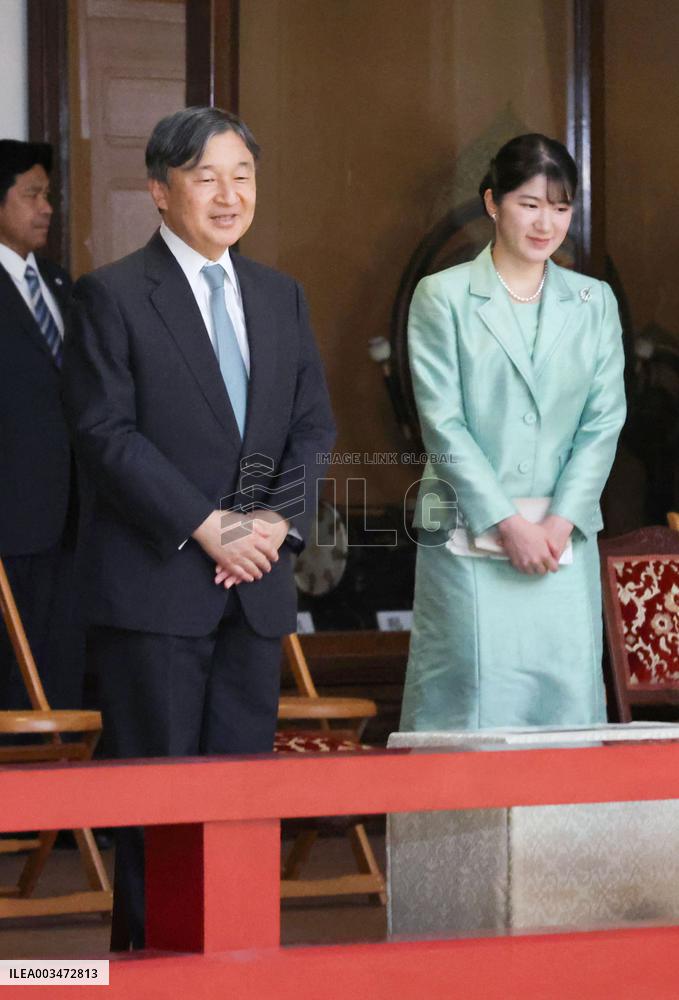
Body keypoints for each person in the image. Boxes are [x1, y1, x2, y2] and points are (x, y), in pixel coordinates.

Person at [61, 107, 335, 948]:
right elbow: (105, 434)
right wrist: (207, 524)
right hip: (156, 590)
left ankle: (236, 965)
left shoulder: (279, 295)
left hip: (252, 590)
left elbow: (311, 429)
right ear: (158, 190)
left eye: (242, 176)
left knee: (243, 806)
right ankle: (150, 967)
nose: (229, 194)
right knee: (160, 810)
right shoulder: (110, 296)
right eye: (206, 176)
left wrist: (266, 528)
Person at [400, 133, 626, 733]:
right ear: (492, 202)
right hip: (468, 537)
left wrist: (558, 523)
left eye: (560, 206)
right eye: (529, 203)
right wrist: (506, 523)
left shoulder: (594, 301)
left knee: (566, 704)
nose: (546, 222)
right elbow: (442, 424)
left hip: (560, 542)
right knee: (471, 703)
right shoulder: (442, 296)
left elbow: (604, 421)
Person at [0, 139, 83, 711]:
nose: (46, 207)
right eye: (31, 194)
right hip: (10, 524)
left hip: (72, 527)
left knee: (61, 677)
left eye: (47, 194)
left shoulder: (60, 286)